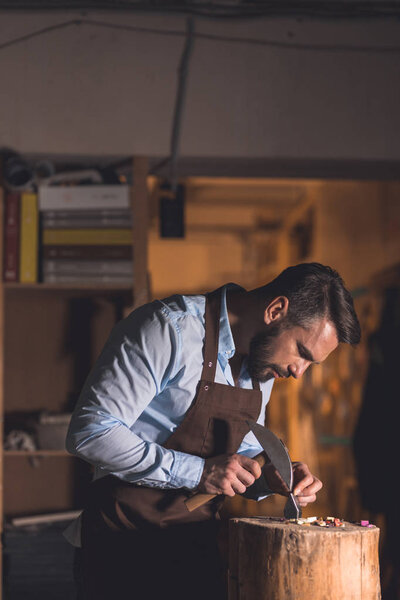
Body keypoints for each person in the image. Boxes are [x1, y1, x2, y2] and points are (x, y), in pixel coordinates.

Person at [66, 262, 361, 600]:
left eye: (312, 364)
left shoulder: (262, 363)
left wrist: (270, 478)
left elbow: (241, 454)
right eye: (302, 354)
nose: (299, 372)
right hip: (122, 547)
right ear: (276, 310)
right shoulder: (167, 328)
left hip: (193, 548)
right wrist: (199, 472)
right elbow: (91, 431)